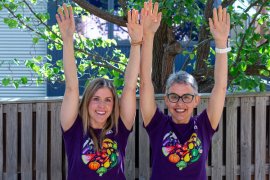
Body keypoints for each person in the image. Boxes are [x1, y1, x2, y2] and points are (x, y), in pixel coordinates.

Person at [140, 1, 230, 179]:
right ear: (166, 99)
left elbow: (220, 86)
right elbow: (145, 83)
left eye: (187, 97)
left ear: (196, 100)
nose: (180, 103)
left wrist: (221, 43)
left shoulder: (205, 125)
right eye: (174, 96)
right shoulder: (157, 124)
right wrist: (148, 36)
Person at [56, 3, 143, 179]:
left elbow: (129, 87)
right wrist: (67, 40)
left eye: (108, 100)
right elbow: (72, 88)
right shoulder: (74, 128)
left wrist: (135, 43)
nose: (101, 105)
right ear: (87, 102)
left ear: (113, 105)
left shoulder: (120, 128)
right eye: (96, 98)